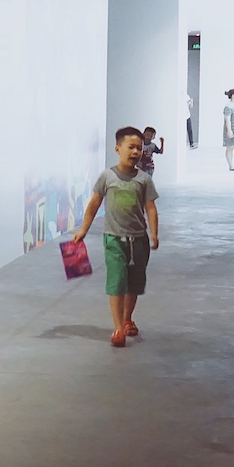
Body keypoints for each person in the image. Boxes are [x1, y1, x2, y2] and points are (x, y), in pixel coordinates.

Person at [70, 127, 161, 347]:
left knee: (134, 284)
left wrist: (154, 233)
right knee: (117, 282)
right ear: (118, 148)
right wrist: (83, 229)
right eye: (131, 147)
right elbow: (94, 204)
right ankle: (118, 328)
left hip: (138, 240)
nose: (136, 152)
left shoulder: (144, 179)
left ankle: (128, 318)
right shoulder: (107, 176)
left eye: (139, 148)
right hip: (113, 240)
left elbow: (150, 207)